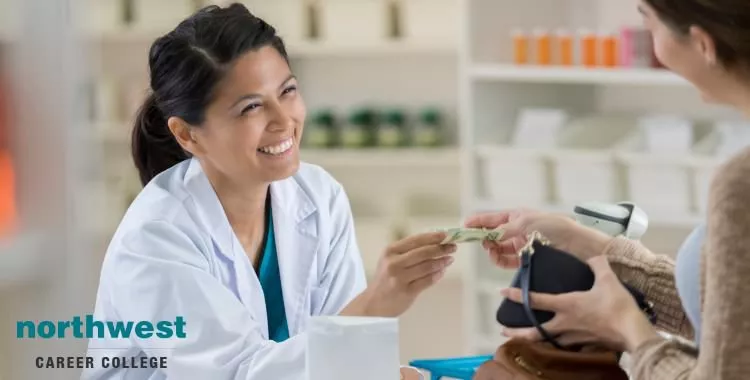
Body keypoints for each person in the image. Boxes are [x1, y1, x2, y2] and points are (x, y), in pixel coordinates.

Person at [81, 4, 456, 380]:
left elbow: (344, 363)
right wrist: (376, 304)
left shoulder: (318, 197)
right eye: (251, 108)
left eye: (288, 91)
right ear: (187, 134)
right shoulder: (156, 236)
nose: (283, 121)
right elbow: (237, 374)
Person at [465, 0, 750, 378]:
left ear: (702, 43)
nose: (655, 47)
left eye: (650, 26)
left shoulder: (739, 184)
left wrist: (629, 331)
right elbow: (732, 318)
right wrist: (581, 241)